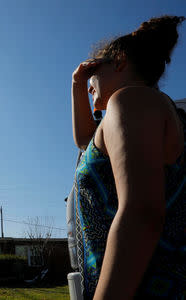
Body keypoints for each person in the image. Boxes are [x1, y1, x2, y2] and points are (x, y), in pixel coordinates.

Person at [71, 16, 185, 299]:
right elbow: (86, 142)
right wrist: (77, 84)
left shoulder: (129, 100)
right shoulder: (137, 107)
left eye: (93, 71)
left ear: (119, 61)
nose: (88, 85)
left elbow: (142, 211)